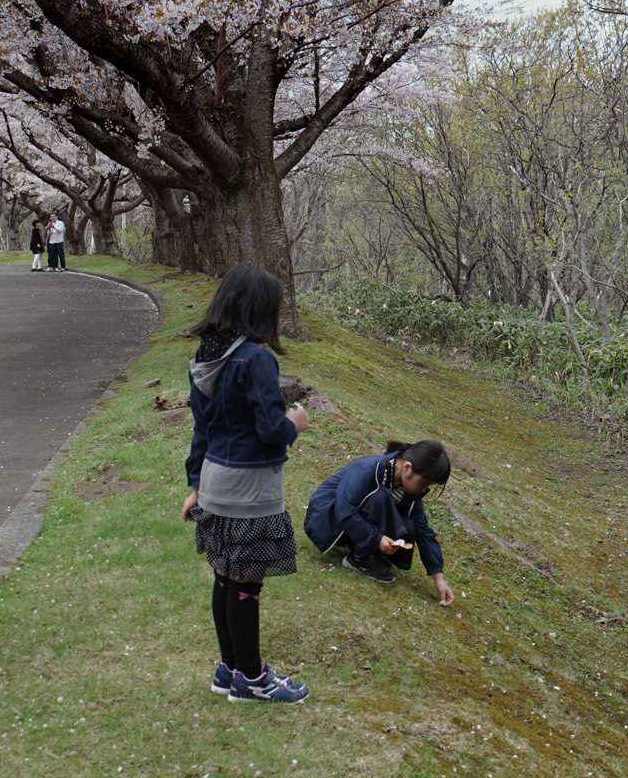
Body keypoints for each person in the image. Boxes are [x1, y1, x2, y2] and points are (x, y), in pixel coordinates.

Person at [181, 264, 310, 704]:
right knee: (246, 585)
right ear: (260, 311)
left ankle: (229, 668)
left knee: (224, 578)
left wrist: (195, 485)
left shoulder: (204, 356)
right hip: (251, 488)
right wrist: (296, 422)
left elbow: (202, 431)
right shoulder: (255, 359)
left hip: (216, 481)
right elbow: (272, 429)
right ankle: (252, 680)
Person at [303, 438, 454, 603]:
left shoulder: (410, 491)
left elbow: (423, 529)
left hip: (351, 522)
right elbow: (345, 508)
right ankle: (359, 558)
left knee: (410, 526)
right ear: (407, 468)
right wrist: (376, 539)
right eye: (425, 483)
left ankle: (371, 552)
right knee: (380, 497)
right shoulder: (369, 468)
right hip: (328, 518)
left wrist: (439, 579)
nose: (424, 490)